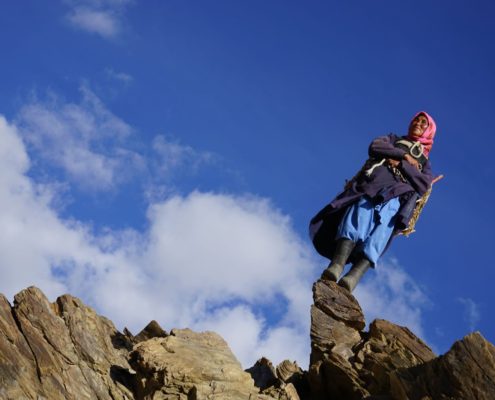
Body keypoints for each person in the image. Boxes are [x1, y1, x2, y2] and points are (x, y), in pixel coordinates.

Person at [309, 111, 436, 292]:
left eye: (424, 123)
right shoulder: (394, 139)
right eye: (417, 119)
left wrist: (401, 164)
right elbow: (376, 146)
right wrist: (404, 155)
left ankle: (352, 278)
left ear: (429, 131)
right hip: (373, 185)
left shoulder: (425, 162)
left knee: (379, 235)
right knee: (357, 219)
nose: (418, 123)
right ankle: (336, 266)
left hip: (397, 199)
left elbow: (423, 185)